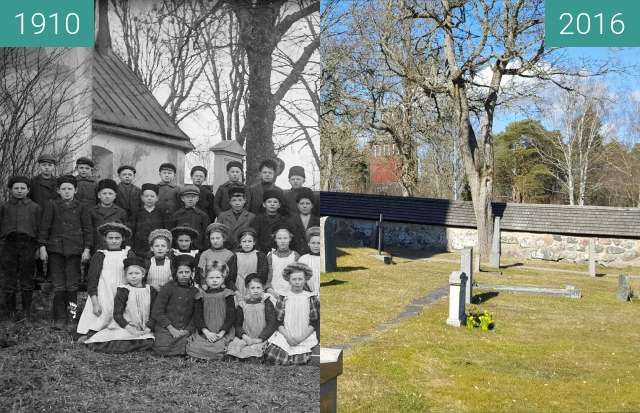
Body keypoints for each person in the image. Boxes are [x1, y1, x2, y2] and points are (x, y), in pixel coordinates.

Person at [38, 175, 92, 329]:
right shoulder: (52, 205)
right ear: (58, 190)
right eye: (63, 189)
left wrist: (87, 249)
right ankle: (59, 318)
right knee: (59, 286)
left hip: (75, 252)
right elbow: (44, 227)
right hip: (56, 251)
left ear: (76, 190)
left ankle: (72, 317)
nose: (67, 192)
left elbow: (88, 230)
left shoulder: (82, 207)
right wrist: (42, 247)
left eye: (70, 189)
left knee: (72, 286)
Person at [83, 255, 156, 353]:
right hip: (127, 326)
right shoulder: (123, 290)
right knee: (112, 341)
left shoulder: (150, 290)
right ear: (126, 276)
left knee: (149, 341)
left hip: (145, 327)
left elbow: (155, 311)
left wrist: (148, 327)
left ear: (143, 274)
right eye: (130, 274)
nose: (133, 276)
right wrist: (129, 328)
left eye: (137, 273)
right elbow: (117, 314)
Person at [77, 223, 133, 338]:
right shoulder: (100, 255)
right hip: (104, 293)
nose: (114, 241)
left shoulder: (128, 253)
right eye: (110, 238)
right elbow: (92, 280)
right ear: (105, 239)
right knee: (102, 317)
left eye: (117, 238)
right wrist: (95, 302)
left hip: (121, 292)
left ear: (123, 239)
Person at [0, 176, 41, 320]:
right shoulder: (5, 206)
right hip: (9, 245)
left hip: (28, 245)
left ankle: (26, 312)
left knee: (27, 278)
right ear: (11, 190)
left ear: (28, 190)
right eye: (16, 188)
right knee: (8, 279)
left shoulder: (34, 207)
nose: (19, 191)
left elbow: (39, 228)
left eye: (22, 188)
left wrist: (37, 247)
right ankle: (9, 312)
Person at [264, 262, 319, 365]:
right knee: (274, 355)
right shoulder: (284, 296)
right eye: (294, 279)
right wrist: (288, 337)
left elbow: (313, 322)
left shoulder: (310, 297)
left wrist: (300, 338)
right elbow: (278, 322)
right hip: (286, 333)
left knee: (309, 356)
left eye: (300, 279)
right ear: (289, 280)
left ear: (305, 279)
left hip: (305, 334)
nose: (297, 282)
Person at [151, 254, 199, 356]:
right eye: (181, 272)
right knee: (162, 348)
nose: (184, 275)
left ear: (192, 273)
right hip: (167, 328)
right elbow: (157, 311)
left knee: (189, 346)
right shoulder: (167, 288)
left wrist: (186, 330)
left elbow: (196, 315)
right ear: (175, 273)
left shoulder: (195, 291)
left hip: (184, 330)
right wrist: (171, 329)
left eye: (187, 272)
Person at [185, 262, 236, 360]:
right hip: (206, 331)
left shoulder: (227, 294)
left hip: (223, 331)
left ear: (223, 278)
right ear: (206, 279)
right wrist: (206, 332)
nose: (214, 281)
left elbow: (231, 315)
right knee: (195, 347)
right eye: (211, 278)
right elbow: (198, 316)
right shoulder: (201, 295)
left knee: (219, 347)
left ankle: (218, 350)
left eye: (218, 278)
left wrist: (221, 333)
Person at [226, 274, 277, 362]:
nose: (256, 291)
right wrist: (245, 337)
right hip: (247, 336)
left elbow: (271, 323)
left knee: (256, 350)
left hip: (262, 337)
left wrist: (260, 339)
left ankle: (253, 356)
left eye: (258, 288)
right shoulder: (242, 304)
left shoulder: (266, 302)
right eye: (252, 288)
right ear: (247, 288)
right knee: (235, 347)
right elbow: (237, 324)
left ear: (263, 288)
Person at [29, 154, 58, 285]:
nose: (47, 168)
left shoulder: (58, 182)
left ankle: (51, 273)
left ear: (54, 167)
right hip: (37, 216)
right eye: (44, 165)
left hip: (54, 217)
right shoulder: (33, 182)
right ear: (39, 166)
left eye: (50, 165)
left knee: (52, 244)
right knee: (37, 244)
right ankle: (40, 272)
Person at [130, 183, 168, 257]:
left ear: (157, 198)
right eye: (146, 196)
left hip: (157, 248)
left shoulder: (162, 213)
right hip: (139, 249)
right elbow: (132, 231)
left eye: (152, 196)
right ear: (142, 197)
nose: (149, 198)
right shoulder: (137, 213)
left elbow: (165, 231)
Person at [90, 179, 128, 250]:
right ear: (99, 195)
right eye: (104, 193)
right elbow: (89, 232)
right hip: (97, 248)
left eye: (110, 194)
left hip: (115, 248)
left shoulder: (121, 212)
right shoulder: (92, 211)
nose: (107, 196)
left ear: (115, 196)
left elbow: (124, 233)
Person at [233, 228, 268, 303]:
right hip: (239, 289)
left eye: (249, 241)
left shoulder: (260, 256)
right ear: (240, 243)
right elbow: (230, 277)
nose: (247, 244)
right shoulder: (235, 256)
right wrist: (236, 291)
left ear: (254, 242)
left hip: (255, 289)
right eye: (244, 241)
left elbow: (263, 275)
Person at [197, 223, 237, 288]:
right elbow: (201, 272)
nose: (215, 241)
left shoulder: (229, 254)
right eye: (212, 238)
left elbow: (231, 274)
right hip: (208, 287)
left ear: (224, 239)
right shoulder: (205, 254)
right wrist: (204, 283)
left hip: (225, 287)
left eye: (218, 238)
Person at [170, 185, 209, 250]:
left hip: (197, 249)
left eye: (193, 197)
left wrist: (204, 249)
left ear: (197, 199)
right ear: (182, 199)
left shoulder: (203, 215)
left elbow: (206, 235)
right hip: (179, 249)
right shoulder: (176, 215)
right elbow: (172, 234)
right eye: (187, 197)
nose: (190, 199)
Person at [250, 188, 287, 254]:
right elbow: (253, 237)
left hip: (279, 252)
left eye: (275, 202)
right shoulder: (257, 219)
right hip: (261, 252)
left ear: (279, 205)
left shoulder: (284, 220)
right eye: (269, 202)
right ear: (264, 204)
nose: (272, 204)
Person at [267, 225, 299, 300]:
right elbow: (267, 279)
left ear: (290, 239)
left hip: (292, 293)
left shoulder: (295, 256)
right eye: (279, 238)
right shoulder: (271, 256)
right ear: (275, 239)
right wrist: (272, 292)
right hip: (274, 293)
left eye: (285, 238)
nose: (282, 241)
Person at [287, 187, 319, 254]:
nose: (304, 206)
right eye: (302, 203)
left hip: (313, 255)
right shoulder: (290, 221)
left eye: (307, 203)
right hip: (295, 255)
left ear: (312, 205)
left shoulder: (318, 221)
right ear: (297, 205)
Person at [296, 227, 320, 295]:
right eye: (313, 243)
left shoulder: (324, 259)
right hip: (307, 293)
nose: (316, 246)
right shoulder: (303, 259)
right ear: (308, 243)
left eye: (319, 243)